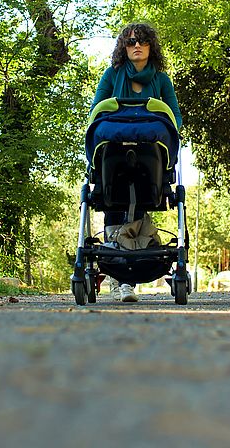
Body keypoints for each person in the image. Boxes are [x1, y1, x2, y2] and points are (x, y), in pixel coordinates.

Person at [90, 22, 182, 303]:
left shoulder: (161, 80)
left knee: (139, 204)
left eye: (141, 41)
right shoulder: (112, 75)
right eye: (130, 42)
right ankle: (120, 279)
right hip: (114, 155)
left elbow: (174, 118)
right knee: (112, 204)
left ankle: (127, 277)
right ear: (123, 48)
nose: (136, 46)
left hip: (149, 156)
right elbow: (96, 111)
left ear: (150, 46)